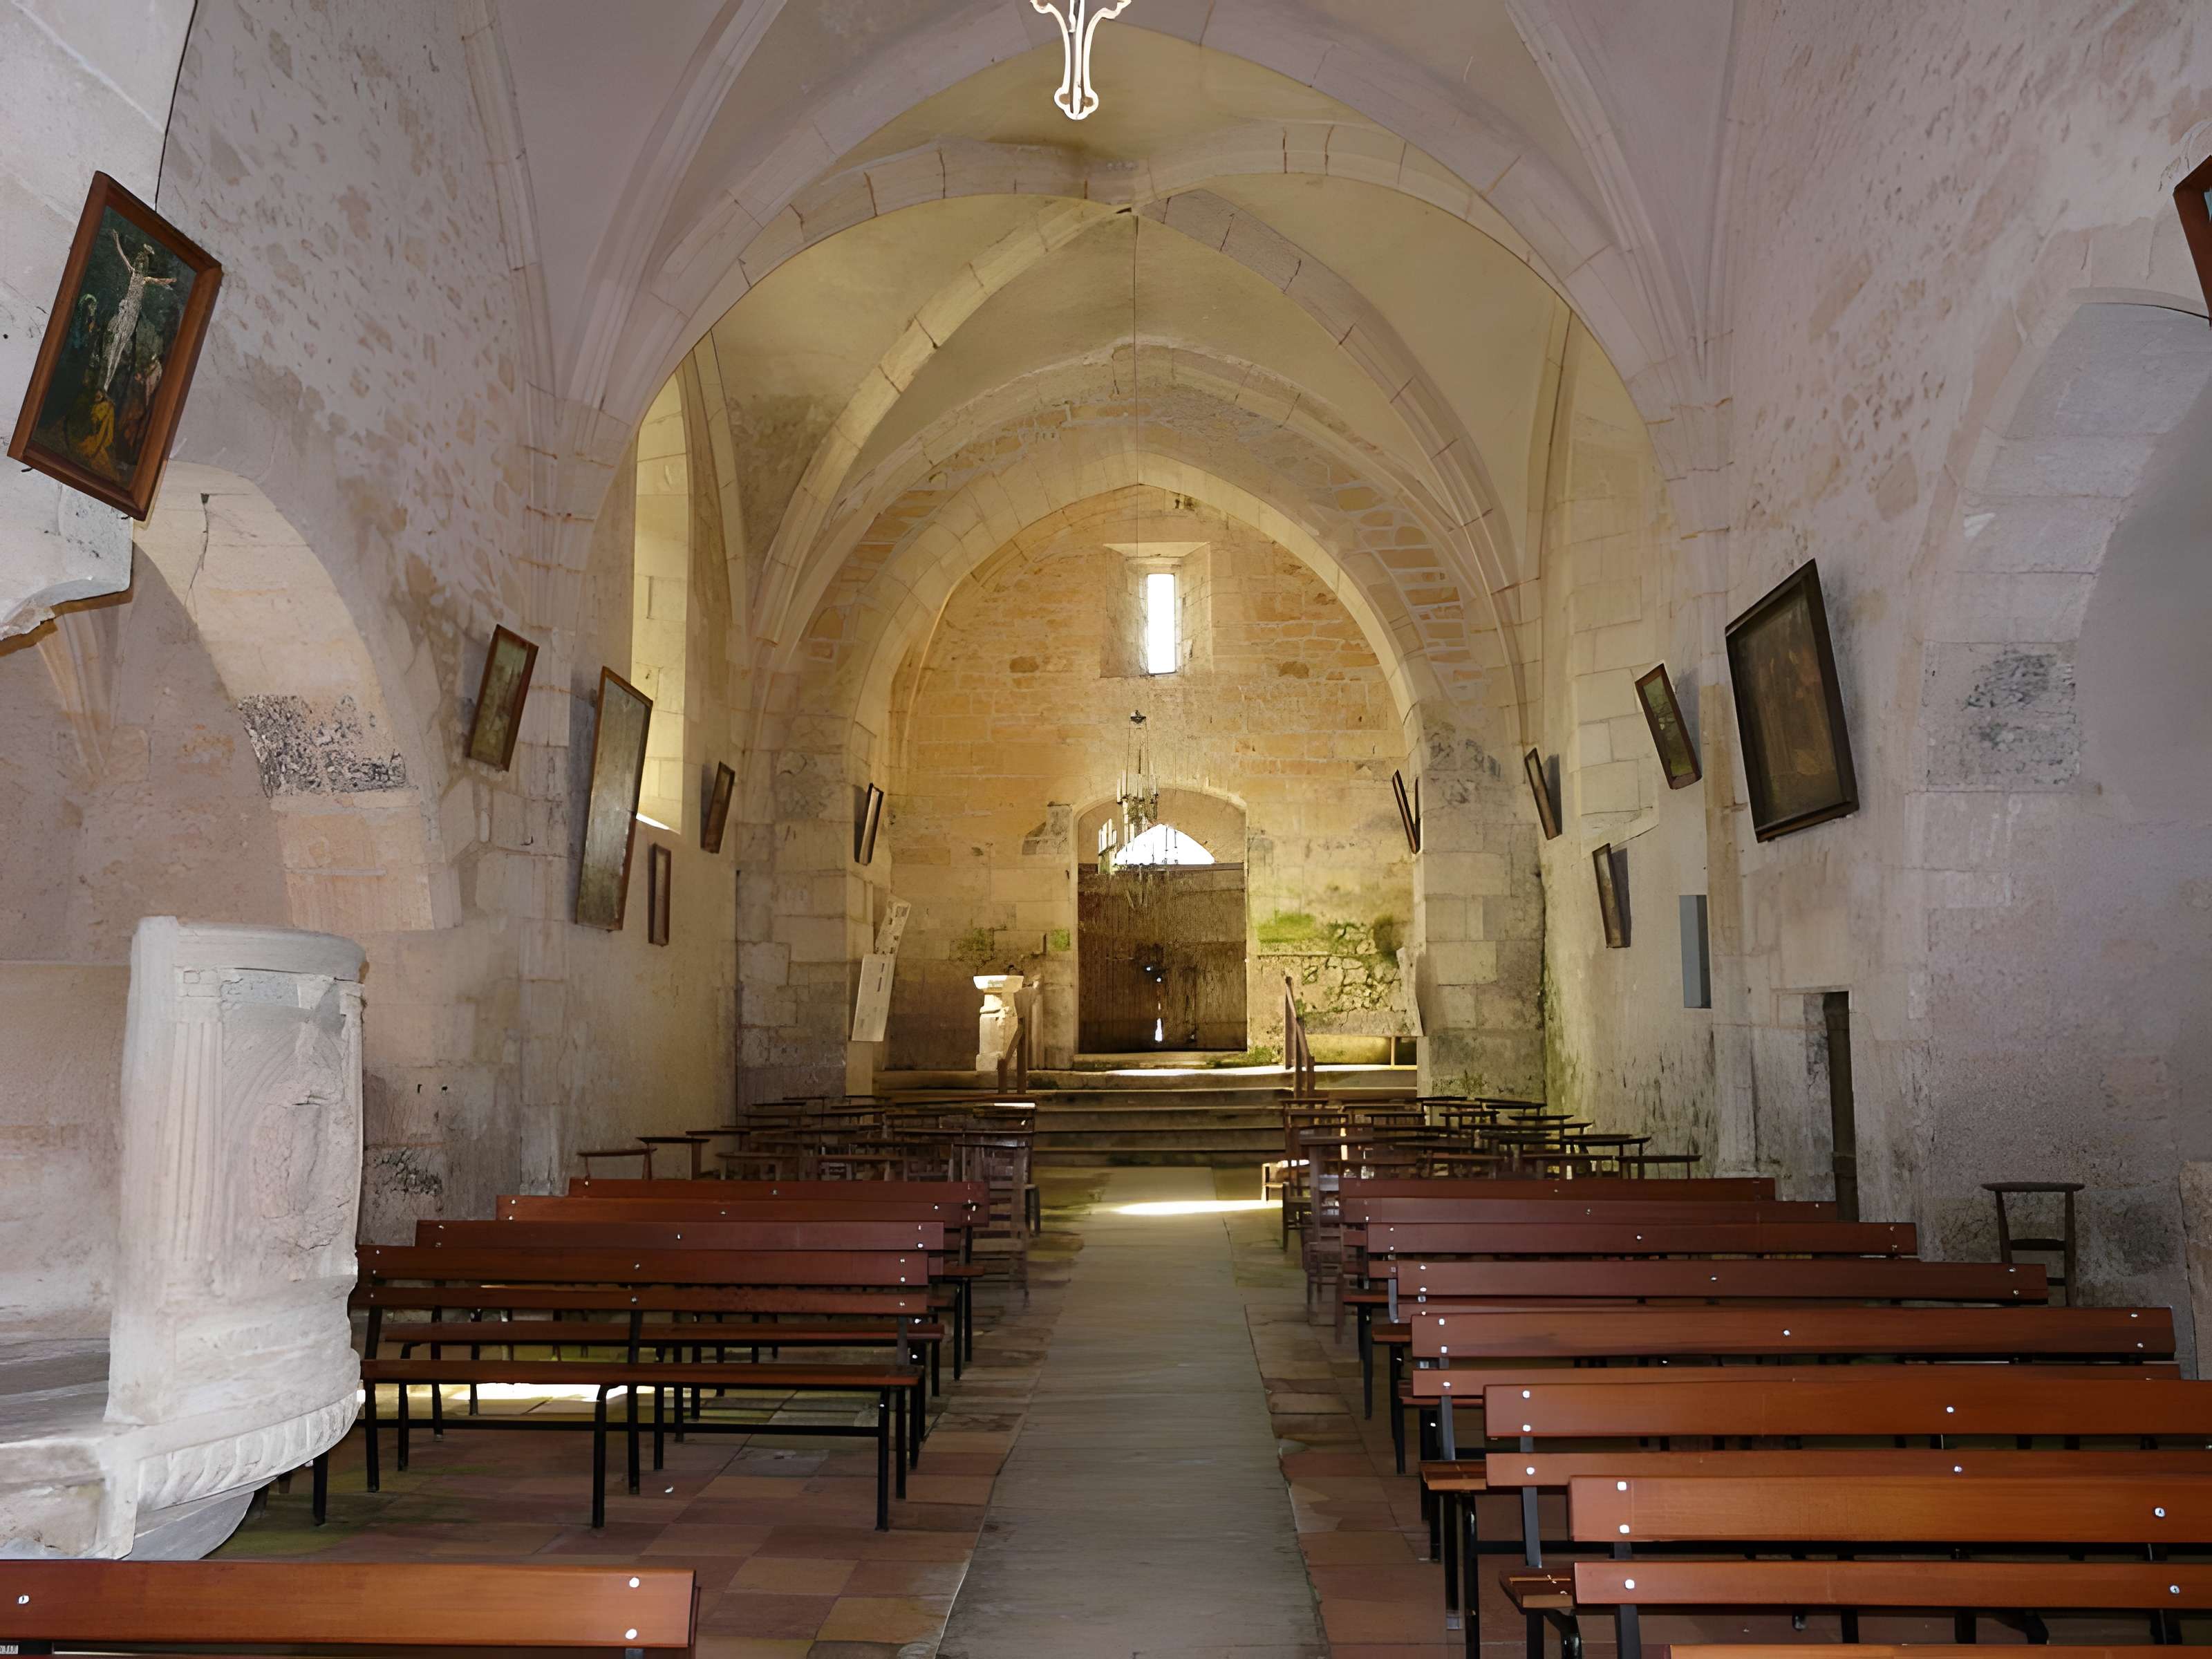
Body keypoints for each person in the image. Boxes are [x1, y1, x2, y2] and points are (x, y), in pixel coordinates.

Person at [99, 229, 177, 395]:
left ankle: (107, 383)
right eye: (139, 260)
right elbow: (122, 256)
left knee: (120, 346)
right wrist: (117, 239)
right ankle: (104, 379)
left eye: (143, 262)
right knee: (114, 342)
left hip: (132, 314)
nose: (139, 263)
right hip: (126, 310)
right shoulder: (134, 273)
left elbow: (160, 281)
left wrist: (171, 281)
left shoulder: (144, 279)